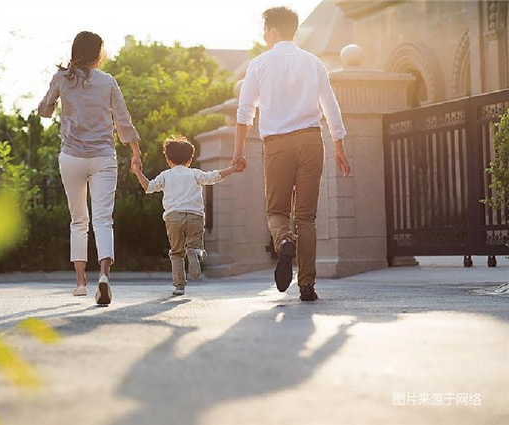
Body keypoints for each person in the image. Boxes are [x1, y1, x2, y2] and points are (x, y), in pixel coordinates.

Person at [232, 7, 351, 301]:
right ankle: (307, 284)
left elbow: (245, 111)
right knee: (307, 217)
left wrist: (238, 152)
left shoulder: (259, 64)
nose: (263, 35)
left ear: (272, 31)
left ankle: (284, 240)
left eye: (264, 30)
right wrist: (339, 145)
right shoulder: (313, 62)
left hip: (277, 144)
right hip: (312, 141)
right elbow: (330, 105)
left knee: (276, 211)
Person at [38, 31, 142, 306]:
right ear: (97, 54)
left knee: (78, 220)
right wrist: (135, 153)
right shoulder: (107, 81)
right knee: (103, 219)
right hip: (103, 157)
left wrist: (51, 99)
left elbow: (45, 111)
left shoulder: (62, 78)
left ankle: (81, 282)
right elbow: (123, 120)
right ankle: (104, 276)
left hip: (71, 157)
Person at [131, 136, 241, 295]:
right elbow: (214, 176)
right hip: (195, 216)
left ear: (168, 160)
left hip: (173, 217)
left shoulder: (165, 175)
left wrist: (137, 171)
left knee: (176, 253)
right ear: (190, 160)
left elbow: (148, 187)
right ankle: (196, 252)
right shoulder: (195, 174)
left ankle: (179, 286)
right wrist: (232, 169)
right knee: (195, 246)